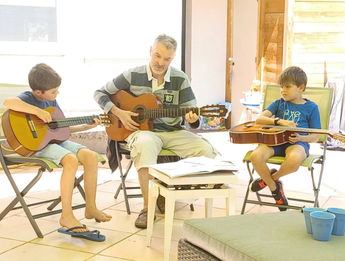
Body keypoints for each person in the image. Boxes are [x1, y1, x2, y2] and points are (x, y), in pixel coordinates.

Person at [94, 34, 217, 228]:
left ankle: (169, 191)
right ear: (150, 51)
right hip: (143, 132)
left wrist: (193, 119)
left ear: (172, 58)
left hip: (173, 132)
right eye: (157, 56)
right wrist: (119, 113)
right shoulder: (132, 75)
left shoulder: (179, 78)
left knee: (206, 151)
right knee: (145, 144)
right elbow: (99, 93)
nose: (160, 62)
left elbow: (192, 113)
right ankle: (147, 207)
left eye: (167, 59)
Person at [3, 63, 111, 241]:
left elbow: (61, 129)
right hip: (36, 146)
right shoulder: (28, 97)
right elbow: (9, 102)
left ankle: (90, 207)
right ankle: (66, 216)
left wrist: (86, 126)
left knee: (91, 156)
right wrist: (36, 111)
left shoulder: (51, 101)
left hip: (55, 141)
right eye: (53, 91)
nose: (56, 94)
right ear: (38, 92)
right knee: (70, 160)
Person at [249, 66, 321, 211]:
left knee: (294, 159)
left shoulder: (312, 107)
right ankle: (275, 188)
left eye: (287, 86)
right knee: (255, 156)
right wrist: (279, 121)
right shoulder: (278, 103)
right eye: (281, 87)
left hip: (297, 143)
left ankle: (270, 180)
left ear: (301, 87)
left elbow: (317, 135)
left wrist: (302, 137)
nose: (283, 90)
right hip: (273, 141)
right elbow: (260, 119)